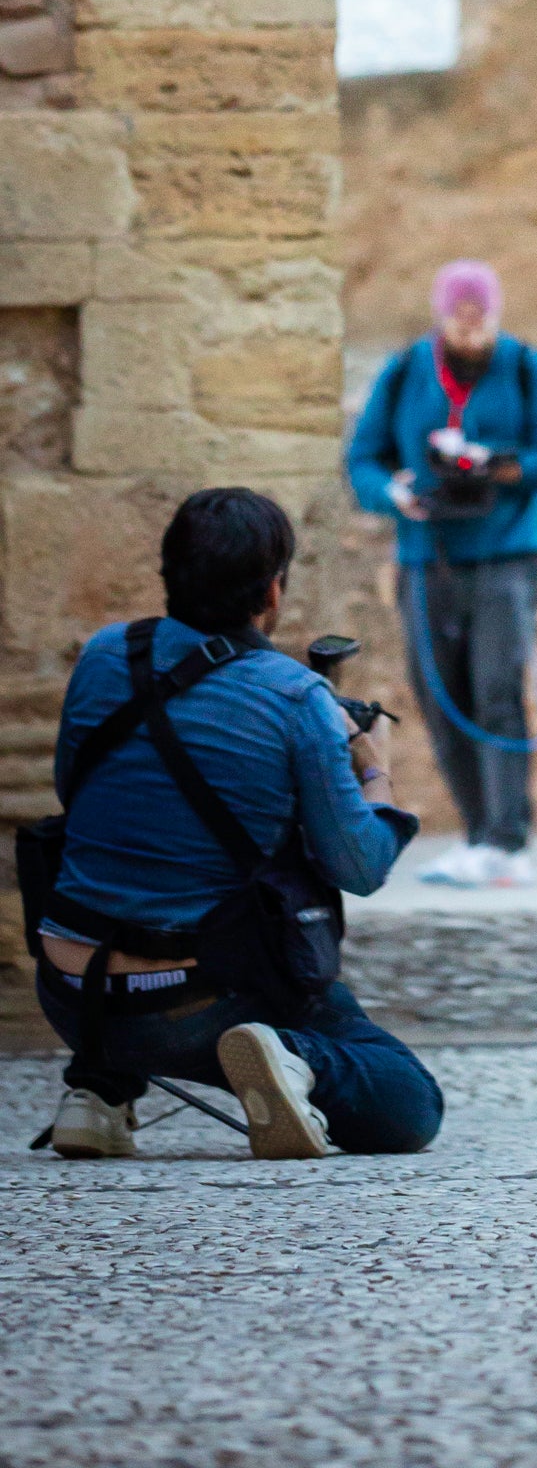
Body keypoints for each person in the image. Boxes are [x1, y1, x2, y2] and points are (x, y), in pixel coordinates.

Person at [31, 487, 440, 1161]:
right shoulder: (296, 698)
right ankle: (290, 1056)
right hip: (198, 1008)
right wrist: (372, 768)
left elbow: (75, 792)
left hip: (73, 993)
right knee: (408, 1101)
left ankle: (97, 1091)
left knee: (133, 877)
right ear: (273, 591)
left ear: (168, 575)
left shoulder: (105, 656)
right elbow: (360, 867)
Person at [347, 256, 537, 887]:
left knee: (497, 692)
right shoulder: (405, 371)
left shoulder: (527, 368)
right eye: (459, 316)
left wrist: (491, 465)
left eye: (482, 317)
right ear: (441, 315)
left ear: (496, 314)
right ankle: (478, 834)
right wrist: (393, 493)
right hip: (427, 557)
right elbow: (363, 458)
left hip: (506, 556)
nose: (471, 330)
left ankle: (508, 840)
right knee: (440, 697)